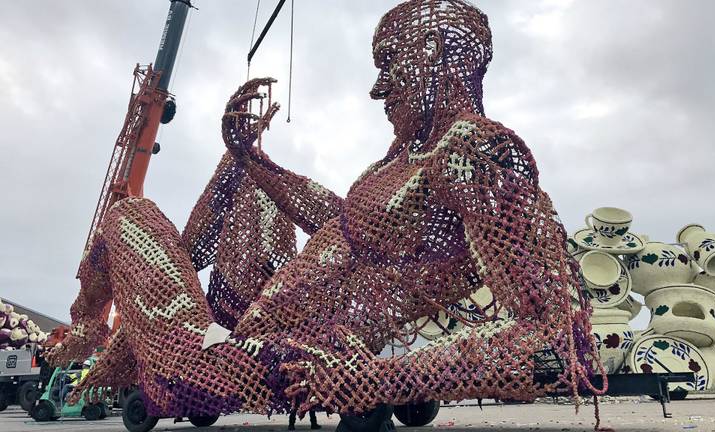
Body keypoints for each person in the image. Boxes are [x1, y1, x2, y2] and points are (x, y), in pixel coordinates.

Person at [54, 0, 602, 419]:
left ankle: (89, 334)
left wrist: (370, 381)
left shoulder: (474, 153)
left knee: (126, 216)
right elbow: (334, 221)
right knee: (244, 184)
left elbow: (558, 343)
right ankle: (103, 338)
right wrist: (251, 157)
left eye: (390, 64)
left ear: (434, 53)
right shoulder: (394, 169)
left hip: (262, 363)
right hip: (249, 322)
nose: (378, 88)